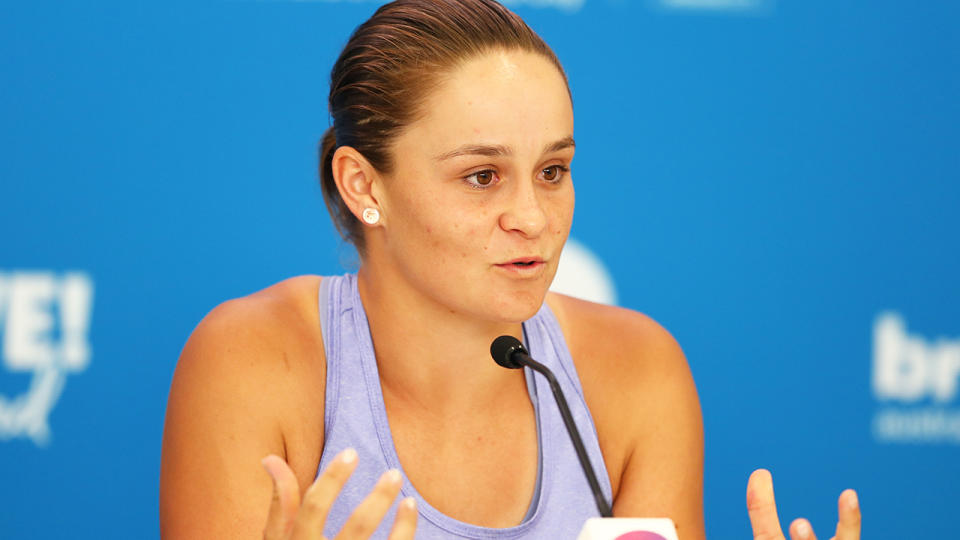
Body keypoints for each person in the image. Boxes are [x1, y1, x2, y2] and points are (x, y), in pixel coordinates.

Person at [159, 1, 861, 539]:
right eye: (482, 176)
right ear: (364, 187)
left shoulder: (639, 370)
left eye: (553, 170)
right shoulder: (253, 360)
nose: (532, 216)